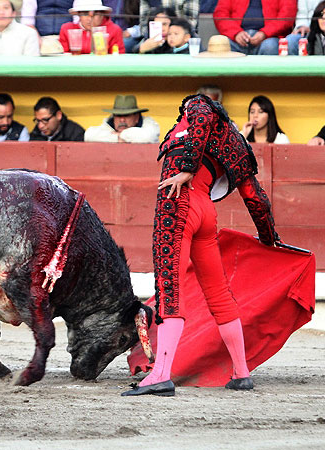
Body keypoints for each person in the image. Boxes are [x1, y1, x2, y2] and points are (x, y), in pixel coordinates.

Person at [122, 94, 280, 396]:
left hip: (176, 204)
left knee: (170, 288)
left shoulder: (197, 106)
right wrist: (269, 238)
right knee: (219, 294)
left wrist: (187, 168)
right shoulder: (236, 143)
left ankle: (161, 375)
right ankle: (241, 372)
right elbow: (255, 198)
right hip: (205, 212)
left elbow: (202, 117)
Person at [213, 0, 297, 55]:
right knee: (219, 45)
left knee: (270, 46)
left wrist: (265, 33)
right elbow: (220, 14)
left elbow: (287, 16)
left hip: (269, 38)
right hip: (236, 38)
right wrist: (236, 33)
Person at [84, 94, 160, 143]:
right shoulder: (109, 125)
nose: (122, 120)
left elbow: (148, 137)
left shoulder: (148, 123)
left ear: (136, 117)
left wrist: (122, 135)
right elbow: (89, 135)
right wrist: (117, 138)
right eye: (118, 115)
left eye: (127, 115)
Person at [58, 0, 125, 54]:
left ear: (102, 15)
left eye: (95, 14)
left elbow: (118, 56)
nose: (90, 19)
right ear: (79, 15)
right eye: (85, 14)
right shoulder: (67, 29)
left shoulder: (114, 30)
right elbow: (63, 55)